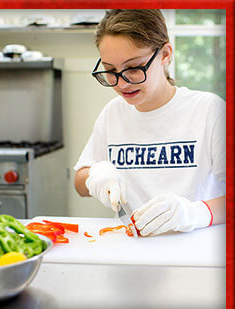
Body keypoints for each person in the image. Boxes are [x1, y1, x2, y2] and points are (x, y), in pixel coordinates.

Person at [73, 9, 226, 236]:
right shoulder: (113, 113)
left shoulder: (209, 110)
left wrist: (196, 213)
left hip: (194, 249)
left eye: (134, 68)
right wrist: (96, 176)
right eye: (110, 70)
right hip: (131, 248)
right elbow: (79, 181)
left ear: (165, 54)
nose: (122, 83)